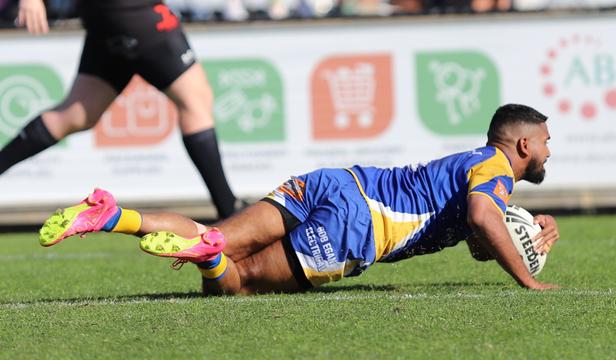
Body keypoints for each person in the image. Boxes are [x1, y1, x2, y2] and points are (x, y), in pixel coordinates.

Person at [39, 104, 561, 294]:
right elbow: (479, 217)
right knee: (235, 284)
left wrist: (526, 234)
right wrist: (528, 277)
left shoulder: (476, 166)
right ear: (521, 145)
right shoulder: (496, 172)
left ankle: (113, 214)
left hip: (337, 182)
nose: (548, 149)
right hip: (361, 225)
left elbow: (477, 235)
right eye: (545, 141)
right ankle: (214, 259)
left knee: (216, 232)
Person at [2, 0, 239, 219]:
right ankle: (230, 212)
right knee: (194, 101)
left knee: (74, 116)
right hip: (134, 12)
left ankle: (229, 208)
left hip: (109, 18)